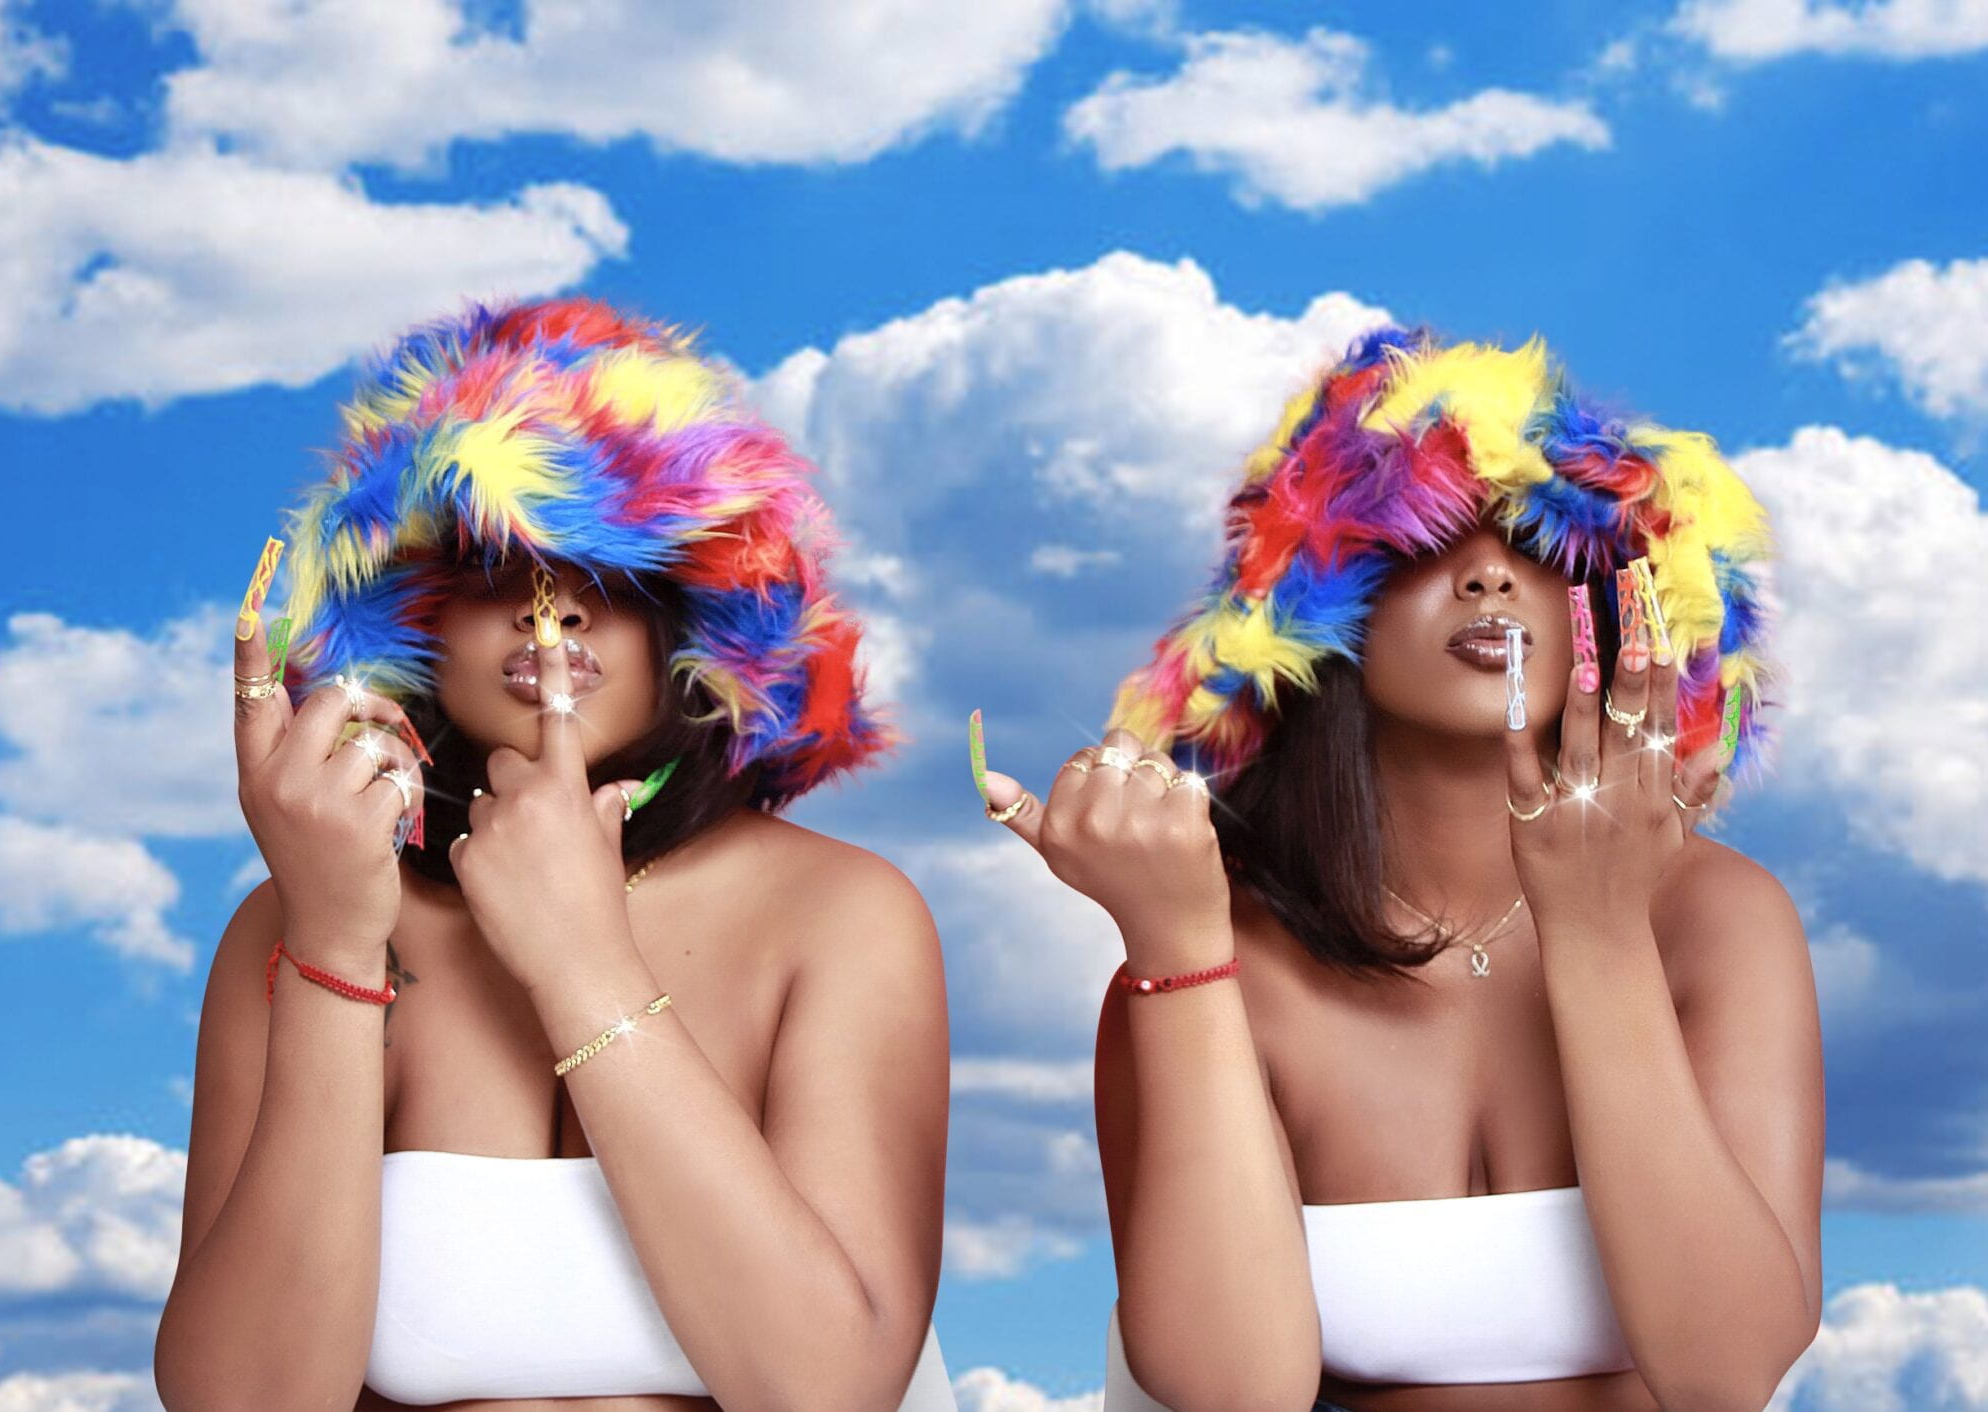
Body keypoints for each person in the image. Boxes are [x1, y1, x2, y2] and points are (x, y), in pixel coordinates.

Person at [974, 329, 1823, 1410]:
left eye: (1534, 542)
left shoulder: (1719, 920)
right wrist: (1177, 951)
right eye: (1420, 538)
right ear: (1311, 606)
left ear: (1622, 615)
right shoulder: (1224, 951)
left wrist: (1599, 935)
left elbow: (1725, 1370)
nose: (1483, 572)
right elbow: (1229, 1391)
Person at [155, 297, 956, 1411]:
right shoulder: (295, 916)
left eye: (610, 576)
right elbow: (242, 1401)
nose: (550, 619)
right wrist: (335, 939)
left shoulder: (839, 913)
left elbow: (825, 1387)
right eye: (490, 569)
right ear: (407, 624)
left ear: (695, 612)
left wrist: (581, 962)